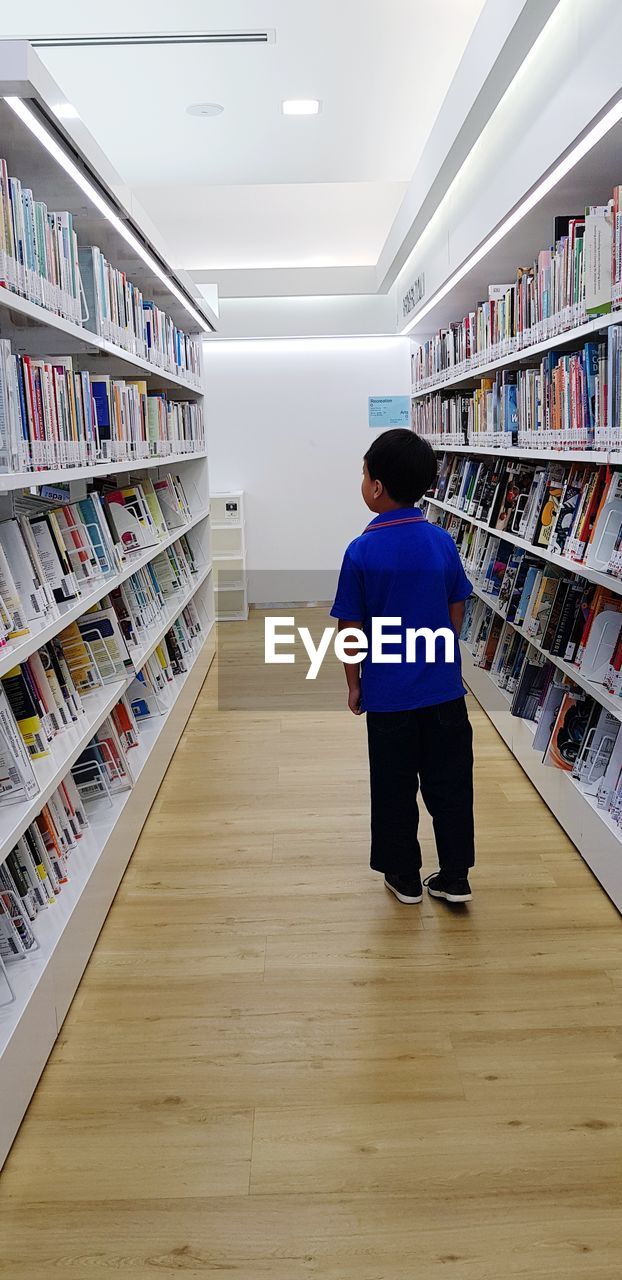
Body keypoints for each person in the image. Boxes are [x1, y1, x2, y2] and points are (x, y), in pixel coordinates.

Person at [331, 428, 475, 905]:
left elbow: (351, 629)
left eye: (363, 473)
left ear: (376, 487)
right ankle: (455, 877)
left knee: (393, 788)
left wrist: (355, 684)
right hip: (444, 693)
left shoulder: (361, 551)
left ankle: (405, 877)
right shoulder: (441, 542)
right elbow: (456, 609)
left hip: (390, 697)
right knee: (450, 786)